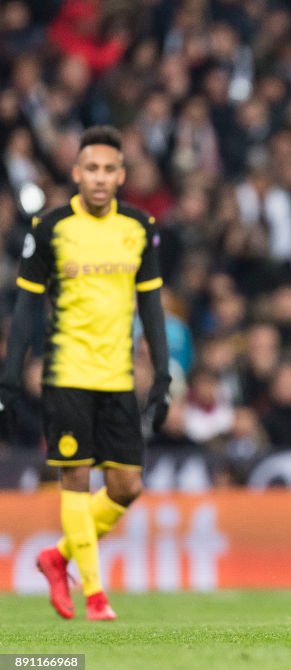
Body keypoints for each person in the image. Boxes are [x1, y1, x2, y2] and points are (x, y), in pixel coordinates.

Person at [0, 125, 170, 621]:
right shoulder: (50, 228)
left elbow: (152, 306)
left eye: (108, 169)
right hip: (66, 372)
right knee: (74, 478)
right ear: (76, 173)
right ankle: (95, 595)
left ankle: (57, 557)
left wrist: (162, 375)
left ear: (121, 175)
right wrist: (9, 379)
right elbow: (27, 309)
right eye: (90, 169)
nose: (98, 178)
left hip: (118, 377)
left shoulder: (139, 227)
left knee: (126, 488)